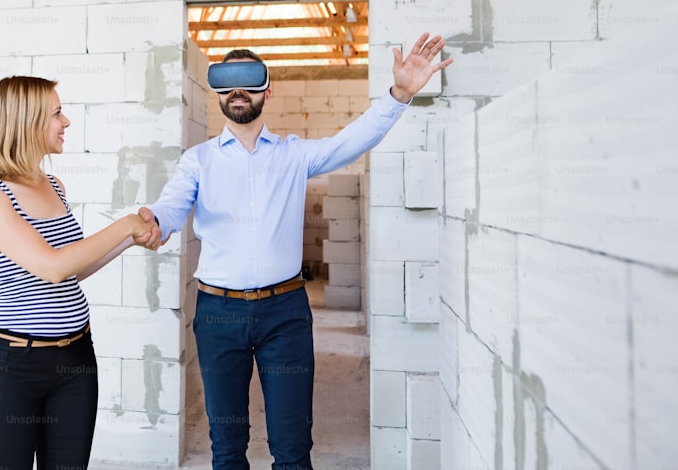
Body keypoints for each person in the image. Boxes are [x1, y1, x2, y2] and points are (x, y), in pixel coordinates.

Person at [140, 33, 453, 470]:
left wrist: (399, 94)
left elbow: (352, 140)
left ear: (266, 91)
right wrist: (154, 221)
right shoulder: (198, 161)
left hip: (283, 314)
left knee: (292, 449)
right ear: (218, 92)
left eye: (249, 81)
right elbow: (170, 206)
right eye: (228, 82)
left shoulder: (295, 155)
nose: (238, 91)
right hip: (218, 315)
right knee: (226, 447)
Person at [0, 75, 159, 470]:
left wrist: (130, 241)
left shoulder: (54, 185)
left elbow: (72, 268)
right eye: (56, 113)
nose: (66, 121)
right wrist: (122, 225)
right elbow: (52, 267)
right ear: (27, 122)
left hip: (74, 362)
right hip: (10, 367)